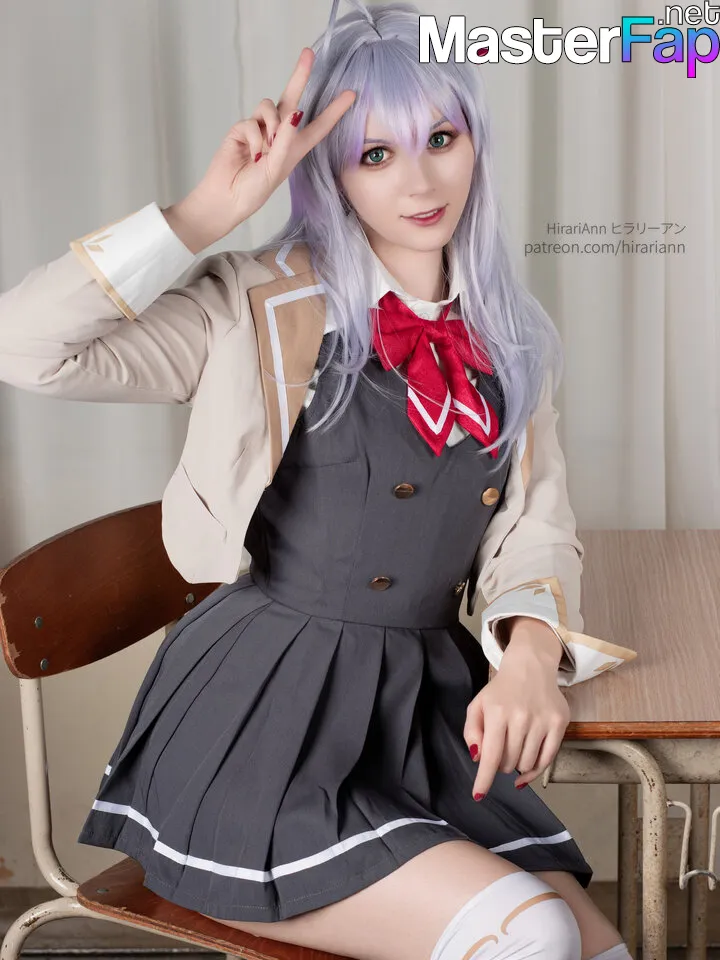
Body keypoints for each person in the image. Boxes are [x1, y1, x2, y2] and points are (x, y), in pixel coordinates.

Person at [0, 1, 638, 957]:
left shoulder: (509, 333)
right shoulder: (253, 304)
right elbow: (23, 346)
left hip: (417, 714)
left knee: (596, 947)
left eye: (441, 138)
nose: (419, 180)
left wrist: (529, 657)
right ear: (328, 171)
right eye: (375, 153)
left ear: (477, 140)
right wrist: (203, 216)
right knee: (534, 935)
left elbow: (535, 526)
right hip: (262, 724)